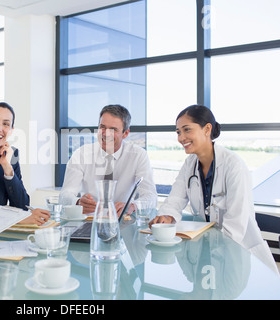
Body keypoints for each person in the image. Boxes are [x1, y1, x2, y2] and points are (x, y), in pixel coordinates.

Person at [149, 104, 277, 273]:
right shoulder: (190, 164)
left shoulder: (233, 165)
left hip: (238, 252)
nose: (181, 137)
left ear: (207, 129)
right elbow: (176, 199)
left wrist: (210, 250)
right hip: (208, 250)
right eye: (178, 132)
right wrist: (166, 216)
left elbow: (235, 225)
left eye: (187, 130)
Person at [60, 104, 157, 216]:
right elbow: (65, 195)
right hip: (89, 219)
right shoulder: (81, 154)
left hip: (122, 220)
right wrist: (77, 202)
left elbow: (151, 197)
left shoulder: (138, 155)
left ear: (125, 133)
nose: (106, 134)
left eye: (113, 129)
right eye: (103, 127)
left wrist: (132, 205)